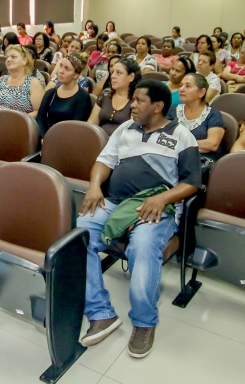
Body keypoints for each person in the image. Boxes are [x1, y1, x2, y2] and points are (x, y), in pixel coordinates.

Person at [77, 80, 201, 358]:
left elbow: (192, 182)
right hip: (115, 204)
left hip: (155, 209)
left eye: (138, 101)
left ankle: (144, 322)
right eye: (132, 100)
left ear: (157, 106)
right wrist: (95, 186)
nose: (131, 105)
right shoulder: (125, 128)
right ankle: (101, 313)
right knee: (76, 236)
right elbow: (104, 161)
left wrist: (163, 198)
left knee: (142, 248)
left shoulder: (182, 136)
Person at [0, 44, 45, 117]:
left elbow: (38, 111)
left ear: (24, 60)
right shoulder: (1, 79)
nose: (8, 60)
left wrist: (15, 121)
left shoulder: (33, 83)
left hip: (16, 125)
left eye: (13, 57)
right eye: (7, 57)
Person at [37, 54, 93, 136]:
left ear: (76, 74)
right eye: (61, 66)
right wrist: (43, 137)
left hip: (67, 140)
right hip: (47, 137)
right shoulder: (51, 93)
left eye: (67, 69)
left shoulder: (83, 97)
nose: (61, 71)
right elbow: (40, 119)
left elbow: (76, 127)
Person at [176, 73, 226, 161]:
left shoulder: (213, 114)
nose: (181, 89)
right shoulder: (172, 111)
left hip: (202, 161)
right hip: (174, 158)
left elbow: (212, 144)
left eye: (187, 86)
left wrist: (176, 144)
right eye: (181, 85)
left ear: (201, 92)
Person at [88, 56, 140, 136]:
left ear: (131, 77)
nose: (112, 76)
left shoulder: (137, 100)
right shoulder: (106, 94)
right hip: (98, 142)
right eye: (112, 72)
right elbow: (91, 123)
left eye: (118, 73)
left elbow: (132, 134)